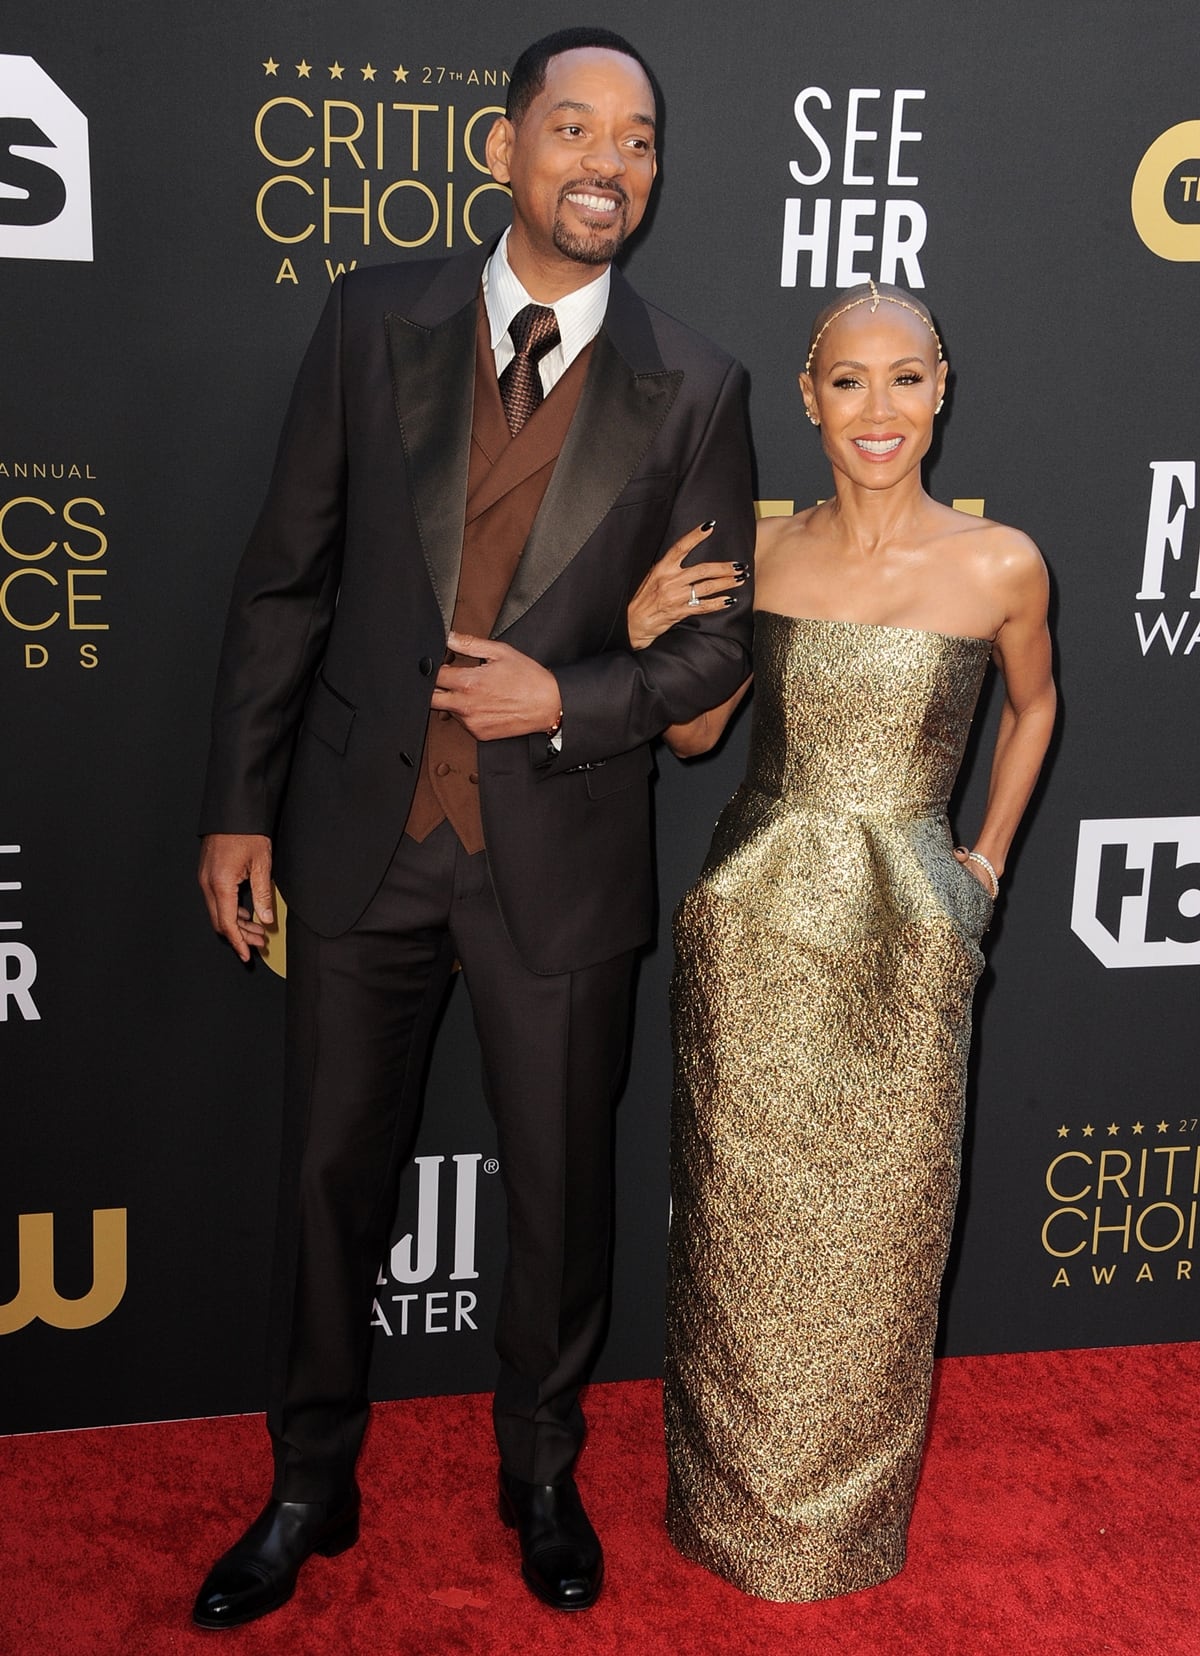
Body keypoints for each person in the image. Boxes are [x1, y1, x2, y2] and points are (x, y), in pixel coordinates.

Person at [192, 28, 754, 1627]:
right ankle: (309, 1479)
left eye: (638, 139)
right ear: (504, 151)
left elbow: (715, 650)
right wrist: (238, 807)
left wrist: (567, 699)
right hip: (362, 840)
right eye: (574, 128)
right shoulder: (378, 318)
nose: (608, 162)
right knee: (324, 1182)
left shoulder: (695, 383)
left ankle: (543, 1472)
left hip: (561, 861)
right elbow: (287, 577)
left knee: (563, 1196)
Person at [629, 280, 1055, 1601]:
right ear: (809, 399)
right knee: (734, 1230)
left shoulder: (1001, 564)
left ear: (941, 391)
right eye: (850, 381)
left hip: (906, 934)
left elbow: (1034, 712)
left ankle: (840, 1530)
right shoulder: (762, 554)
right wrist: (644, 640)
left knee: (882, 1239)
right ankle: (726, 1508)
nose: (881, 408)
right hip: (754, 921)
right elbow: (698, 737)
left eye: (906, 377)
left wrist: (979, 863)